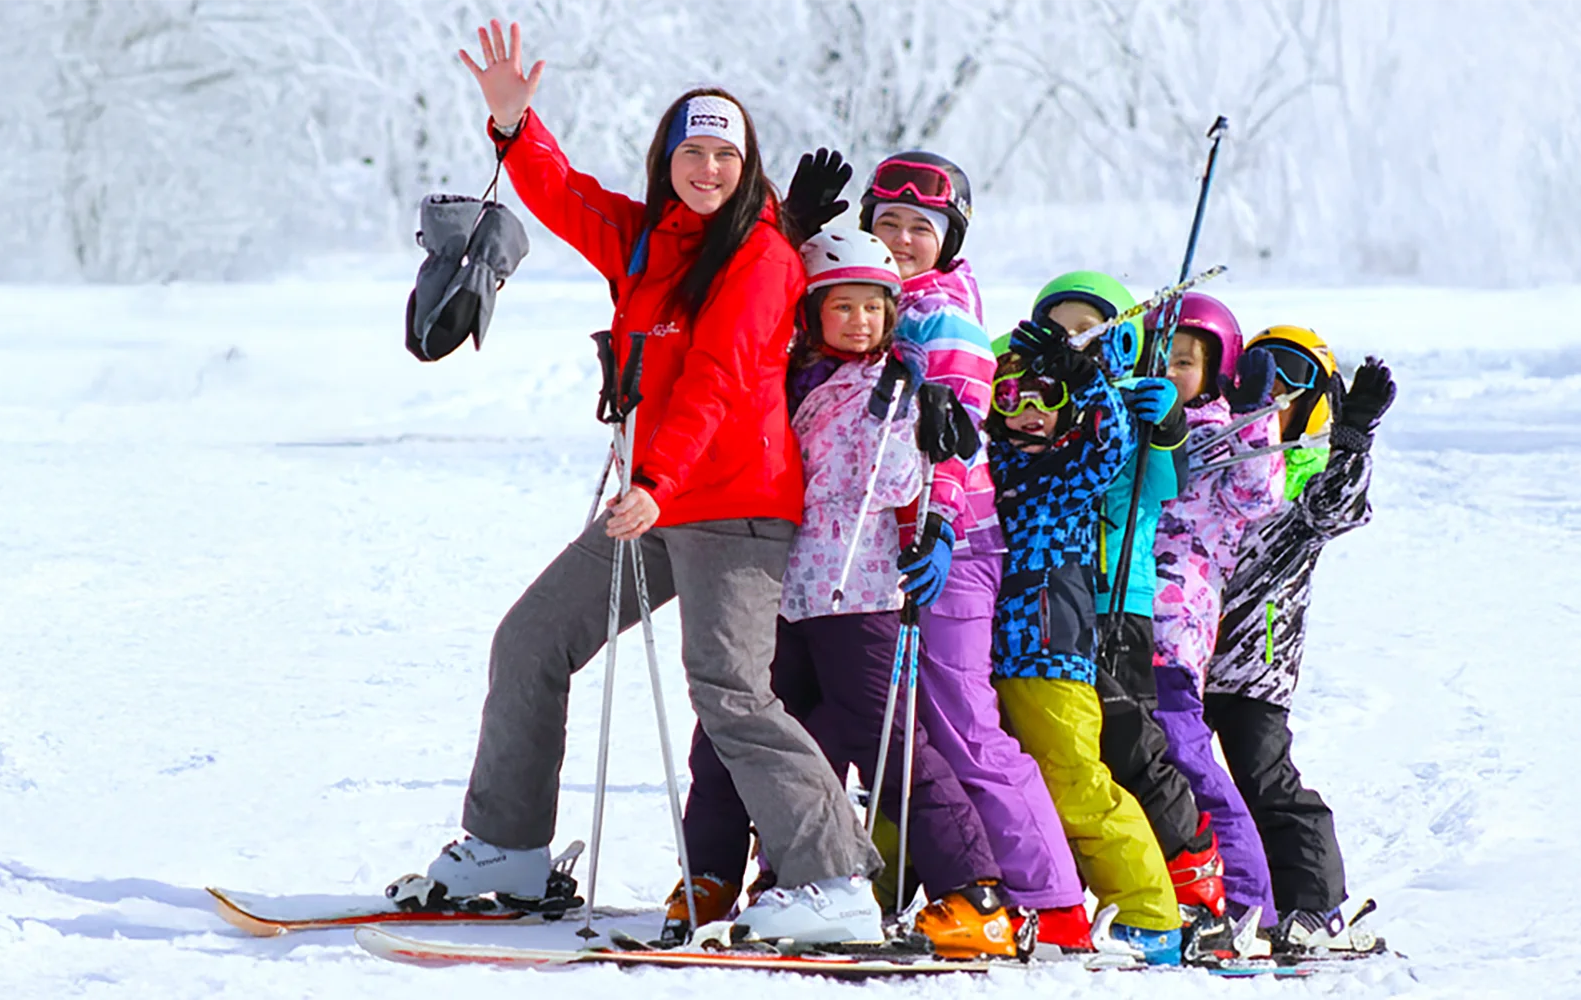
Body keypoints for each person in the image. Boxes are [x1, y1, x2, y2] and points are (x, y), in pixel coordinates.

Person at [425, 20, 880, 946]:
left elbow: (718, 377)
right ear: (667, 159)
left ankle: (834, 884)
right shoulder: (644, 241)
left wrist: (659, 481)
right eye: (691, 151)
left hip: (735, 507)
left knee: (729, 689)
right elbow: (561, 198)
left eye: (724, 153)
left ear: (745, 163)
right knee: (531, 641)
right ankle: (507, 851)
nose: (706, 168)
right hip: (658, 501)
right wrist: (516, 126)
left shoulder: (762, 257)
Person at [669, 230, 1015, 958]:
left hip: (858, 597)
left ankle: (976, 896)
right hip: (782, 592)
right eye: (843, 307)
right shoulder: (789, 375)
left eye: (873, 308)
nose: (859, 322)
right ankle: (712, 875)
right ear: (813, 313)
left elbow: (895, 486)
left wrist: (917, 427)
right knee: (737, 737)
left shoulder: (897, 386)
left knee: (890, 743)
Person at [857, 153, 1092, 946]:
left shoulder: (942, 320)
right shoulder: (876, 306)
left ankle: (1052, 903)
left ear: (948, 237)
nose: (900, 239)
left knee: (962, 725)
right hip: (880, 541)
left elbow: (957, 438)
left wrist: (943, 527)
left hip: (949, 542)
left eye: (920, 227)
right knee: (898, 725)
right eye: (886, 224)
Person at [1031, 273, 1233, 940]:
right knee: (1065, 750)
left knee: (1128, 742)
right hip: (1046, 597)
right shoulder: (1035, 400)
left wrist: (1167, 421)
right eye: (1060, 329)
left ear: (1121, 340)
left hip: (1120, 595)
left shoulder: (1131, 403)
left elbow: (1165, 482)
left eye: (1090, 330)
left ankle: (1191, 877)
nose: (1074, 342)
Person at [987, 315, 1184, 966]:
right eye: (1010, 396)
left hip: (1050, 649)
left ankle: (1148, 913)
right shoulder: (989, 466)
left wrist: (1087, 377)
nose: (1028, 412)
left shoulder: (1070, 473)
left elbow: (1114, 444)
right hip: (978, 655)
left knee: (1075, 781)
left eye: (1046, 395)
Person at [1205, 324, 1397, 952]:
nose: (1275, 391)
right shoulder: (1218, 452)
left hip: (1257, 659)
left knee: (1261, 775)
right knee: (1181, 774)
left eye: (1294, 380)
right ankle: (1212, 896)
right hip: (1184, 644)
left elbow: (1336, 510)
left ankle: (1315, 902)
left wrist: (1351, 440)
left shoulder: (1308, 471)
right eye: (1263, 371)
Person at [1145, 293, 1286, 943]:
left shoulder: (1221, 433)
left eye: (1185, 362)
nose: (1169, 371)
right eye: (1160, 357)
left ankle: (1252, 899)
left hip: (1174, 630)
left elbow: (1260, 494)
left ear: (1216, 370)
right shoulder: (1135, 424)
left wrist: (1256, 418)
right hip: (1111, 623)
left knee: (1186, 757)